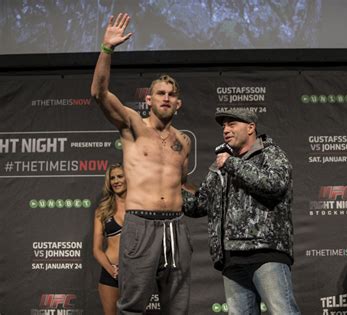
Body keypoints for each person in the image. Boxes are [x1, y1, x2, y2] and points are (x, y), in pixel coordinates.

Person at [91, 13, 192, 315]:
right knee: (133, 306)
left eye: (171, 95)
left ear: (179, 103)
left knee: (178, 307)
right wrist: (107, 49)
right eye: (160, 93)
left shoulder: (183, 141)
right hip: (140, 224)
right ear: (148, 99)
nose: (166, 98)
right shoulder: (133, 125)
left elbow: (183, 184)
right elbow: (99, 93)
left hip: (175, 226)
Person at [184, 108, 300, 315]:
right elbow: (200, 204)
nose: (226, 130)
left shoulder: (269, 153)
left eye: (232, 124)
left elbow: (275, 185)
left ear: (251, 127)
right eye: (224, 126)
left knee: (284, 312)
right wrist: (167, 193)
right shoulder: (219, 166)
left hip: (266, 252)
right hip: (231, 257)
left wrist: (231, 163)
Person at [93, 163, 126, 315]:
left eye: (120, 176)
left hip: (136, 272)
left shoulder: (140, 206)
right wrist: (112, 271)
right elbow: (97, 249)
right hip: (110, 271)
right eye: (112, 178)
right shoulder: (103, 210)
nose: (116, 181)